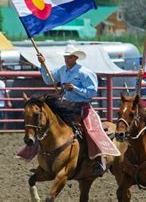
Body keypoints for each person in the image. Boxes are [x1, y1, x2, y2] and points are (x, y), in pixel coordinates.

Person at [37, 45, 107, 175]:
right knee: (47, 124)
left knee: (90, 131)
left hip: (82, 106)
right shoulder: (61, 70)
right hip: (66, 105)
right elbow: (48, 79)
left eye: (69, 57)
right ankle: (44, 155)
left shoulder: (85, 73)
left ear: (76, 58)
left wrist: (74, 88)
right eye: (65, 57)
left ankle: (99, 160)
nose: (66, 59)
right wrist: (42, 64)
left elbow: (91, 93)